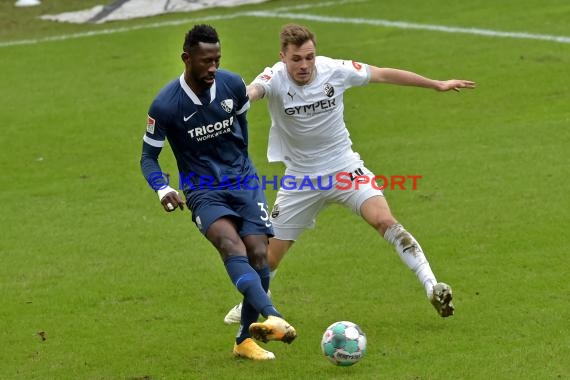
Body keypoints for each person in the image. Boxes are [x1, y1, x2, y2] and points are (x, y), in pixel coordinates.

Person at [224, 23, 476, 324]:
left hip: (344, 168)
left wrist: (435, 83)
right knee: (268, 258)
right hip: (301, 179)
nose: (304, 65)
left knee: (385, 220)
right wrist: (240, 97)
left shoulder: (335, 70)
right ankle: (251, 303)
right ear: (283, 57)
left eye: (309, 57)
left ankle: (432, 286)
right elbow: (255, 91)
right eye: (296, 59)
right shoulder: (274, 77)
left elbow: (382, 73)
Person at [140, 24, 296, 361]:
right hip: (202, 190)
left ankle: (244, 342)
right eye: (205, 61)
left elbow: (241, 131)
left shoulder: (232, 85)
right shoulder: (165, 105)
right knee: (230, 245)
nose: (212, 68)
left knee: (258, 254)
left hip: (243, 181)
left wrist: (243, 172)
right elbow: (148, 157)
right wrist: (163, 187)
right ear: (187, 58)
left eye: (217, 60)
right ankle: (274, 316)